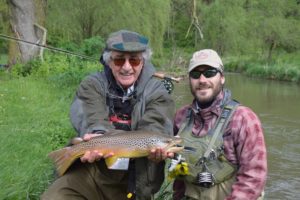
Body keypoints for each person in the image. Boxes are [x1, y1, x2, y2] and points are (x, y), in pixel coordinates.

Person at [41, 30, 175, 200]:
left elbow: (155, 126)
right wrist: (97, 135)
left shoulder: (158, 91)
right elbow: (91, 118)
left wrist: (156, 148)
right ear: (109, 61)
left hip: (137, 177)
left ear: (143, 62)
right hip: (92, 171)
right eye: (119, 59)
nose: (127, 67)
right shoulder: (92, 85)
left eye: (134, 60)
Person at [171, 49, 267, 200]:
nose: (202, 80)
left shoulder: (244, 119)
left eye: (209, 73)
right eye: (195, 74)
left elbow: (253, 179)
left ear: (222, 78)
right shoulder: (180, 117)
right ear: (189, 79)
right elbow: (179, 173)